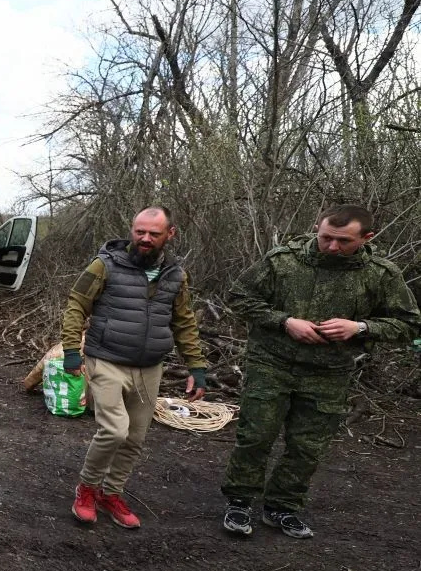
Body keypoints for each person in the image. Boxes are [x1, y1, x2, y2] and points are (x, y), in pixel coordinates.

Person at [220, 206, 420, 539]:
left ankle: (282, 507)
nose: (332, 247)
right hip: (272, 362)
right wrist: (284, 322)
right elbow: (239, 297)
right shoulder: (284, 261)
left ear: (366, 238)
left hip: (329, 372)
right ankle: (239, 501)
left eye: (344, 241)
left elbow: (409, 323)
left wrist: (360, 327)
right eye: (326, 237)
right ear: (317, 227)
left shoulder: (380, 274)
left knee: (308, 445)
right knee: (256, 435)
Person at [61, 207, 208, 529]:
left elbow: (184, 321)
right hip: (106, 359)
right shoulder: (105, 265)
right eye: (140, 231)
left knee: (135, 437)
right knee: (115, 430)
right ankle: (87, 488)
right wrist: (72, 350)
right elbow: (76, 305)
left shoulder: (176, 275)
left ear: (170, 234)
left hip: (149, 367)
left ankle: (110, 493)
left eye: (154, 233)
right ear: (132, 230)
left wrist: (196, 367)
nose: (145, 238)